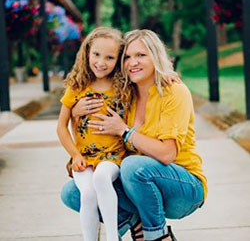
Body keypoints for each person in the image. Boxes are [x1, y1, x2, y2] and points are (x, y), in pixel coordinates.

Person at [61, 29, 207, 241]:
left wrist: (124, 131)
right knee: (73, 192)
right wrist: (74, 111)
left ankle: (156, 236)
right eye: (127, 57)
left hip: (183, 187)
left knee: (133, 166)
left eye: (141, 55)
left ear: (155, 56)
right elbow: (86, 120)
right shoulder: (124, 94)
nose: (132, 62)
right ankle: (134, 224)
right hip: (142, 186)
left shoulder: (174, 92)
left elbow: (167, 154)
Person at [57, 27, 131, 241]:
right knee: (87, 194)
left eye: (109, 57)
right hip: (83, 157)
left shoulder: (123, 87)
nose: (101, 62)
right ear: (87, 53)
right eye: (96, 54)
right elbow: (61, 127)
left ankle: (112, 237)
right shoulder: (77, 86)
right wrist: (75, 155)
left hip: (112, 156)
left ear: (118, 60)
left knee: (101, 177)